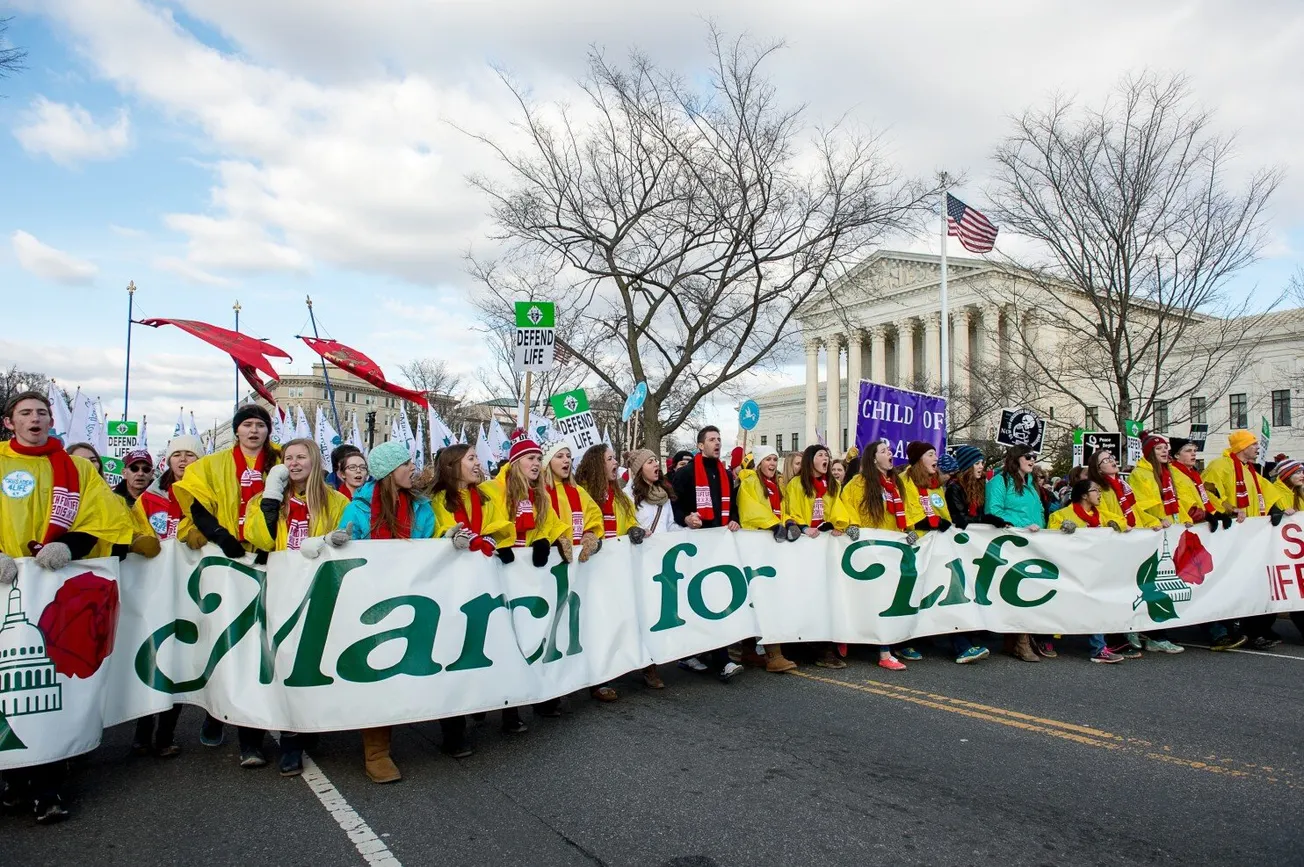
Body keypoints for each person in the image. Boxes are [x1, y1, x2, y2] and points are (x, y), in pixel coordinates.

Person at [0, 391, 133, 824]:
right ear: (9, 422)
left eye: (42, 412)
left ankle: (49, 787)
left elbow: (104, 520)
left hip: (53, 584)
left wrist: (67, 546)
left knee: (53, 686)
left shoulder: (76, 469)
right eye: (25, 413)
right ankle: (12, 782)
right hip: (4, 585)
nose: (35, 418)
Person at [172, 403, 280, 763]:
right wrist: (220, 536)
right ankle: (215, 713)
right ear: (236, 431)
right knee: (225, 641)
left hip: (269, 561)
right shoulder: (212, 465)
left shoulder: (280, 461)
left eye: (260, 425)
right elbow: (197, 506)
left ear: (268, 431)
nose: (254, 431)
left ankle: (251, 740)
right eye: (247, 424)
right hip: (227, 561)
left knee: (259, 649)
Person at [335, 441, 432, 783]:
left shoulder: (422, 507)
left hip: (413, 595)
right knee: (376, 671)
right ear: (390, 471)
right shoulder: (359, 509)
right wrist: (337, 542)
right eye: (406, 464)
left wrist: (449, 540)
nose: (412, 468)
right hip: (370, 601)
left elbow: (431, 543)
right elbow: (344, 550)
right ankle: (376, 752)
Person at [130, 435, 203, 760]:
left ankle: (165, 735)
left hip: (189, 591)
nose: (183, 460)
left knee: (178, 663)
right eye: (178, 455)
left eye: (190, 455)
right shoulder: (149, 499)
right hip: (154, 590)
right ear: (168, 460)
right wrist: (138, 541)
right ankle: (142, 733)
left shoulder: (204, 495)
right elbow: (133, 528)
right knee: (151, 660)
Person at [670, 425, 744, 682]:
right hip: (694, 546)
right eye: (712, 439)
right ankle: (718, 659)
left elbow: (732, 505)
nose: (717, 443)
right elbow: (674, 506)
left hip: (718, 545)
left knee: (715, 599)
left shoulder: (725, 473)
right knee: (702, 600)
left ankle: (711, 656)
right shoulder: (687, 473)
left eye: (719, 439)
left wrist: (733, 519)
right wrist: (686, 518)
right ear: (700, 445)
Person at [838, 440, 916, 671]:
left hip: (891, 549)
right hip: (867, 549)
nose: (890, 453)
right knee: (863, 598)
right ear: (873, 459)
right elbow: (847, 506)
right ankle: (847, 636)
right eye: (884, 451)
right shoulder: (858, 483)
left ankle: (885, 650)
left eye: (889, 450)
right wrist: (852, 525)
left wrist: (910, 530)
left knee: (886, 599)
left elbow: (906, 510)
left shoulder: (896, 484)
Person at [576, 443, 637, 701]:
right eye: (610, 459)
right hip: (590, 569)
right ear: (596, 464)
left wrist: (634, 528)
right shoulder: (582, 492)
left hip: (614, 569)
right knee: (591, 623)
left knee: (609, 621)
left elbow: (629, 518)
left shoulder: (619, 495)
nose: (616, 463)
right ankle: (593, 678)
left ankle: (605, 672)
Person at [733, 445, 800, 672]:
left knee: (765, 598)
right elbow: (750, 510)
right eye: (768, 459)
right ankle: (773, 655)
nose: (772, 463)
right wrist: (773, 524)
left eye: (774, 459)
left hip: (773, 546)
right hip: (757, 547)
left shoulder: (777, 485)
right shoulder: (750, 483)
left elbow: (783, 508)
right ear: (759, 462)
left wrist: (788, 522)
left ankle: (749, 651)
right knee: (762, 598)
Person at [1046, 479, 1127, 664]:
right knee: (1060, 606)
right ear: (1084, 495)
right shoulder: (1062, 515)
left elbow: (1123, 521)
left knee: (1095, 606)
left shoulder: (1102, 515)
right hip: (1070, 571)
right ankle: (1045, 639)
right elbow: (1050, 536)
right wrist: (1060, 530)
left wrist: (1117, 525)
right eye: (1095, 490)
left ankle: (1099, 649)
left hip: (1095, 573)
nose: (1099, 494)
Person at [987, 446, 1049, 663]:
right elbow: (994, 510)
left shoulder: (1031, 483)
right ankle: (1021, 641)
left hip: (1033, 543)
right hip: (1012, 542)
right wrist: (1022, 525)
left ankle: (1012, 640)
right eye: (1028, 456)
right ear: (1016, 459)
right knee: (1019, 590)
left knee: (1030, 588)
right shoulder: (1000, 481)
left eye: (1034, 457)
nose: (1033, 460)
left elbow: (1039, 510)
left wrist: (1043, 527)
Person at [624, 448, 679, 688]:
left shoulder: (663, 495)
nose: (656, 464)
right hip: (639, 562)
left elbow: (669, 526)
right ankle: (646, 664)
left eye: (656, 460)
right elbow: (625, 526)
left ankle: (652, 659)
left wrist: (689, 528)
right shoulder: (628, 495)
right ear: (639, 469)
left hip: (661, 563)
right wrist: (636, 532)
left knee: (657, 611)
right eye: (650, 461)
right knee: (641, 613)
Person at [541, 441, 603, 565]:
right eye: (560, 456)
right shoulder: (539, 492)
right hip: (547, 564)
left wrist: (589, 536)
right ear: (547, 463)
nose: (566, 460)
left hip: (578, 566)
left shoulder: (579, 492)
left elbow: (594, 517)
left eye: (568, 456)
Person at [1087, 449, 1160, 530]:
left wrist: (1153, 523)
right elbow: (1102, 513)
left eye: (1111, 457)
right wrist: (1121, 524)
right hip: (1118, 533)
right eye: (1106, 460)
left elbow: (1136, 510)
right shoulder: (1098, 490)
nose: (1111, 461)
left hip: (1134, 531)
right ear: (1099, 469)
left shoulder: (1124, 486)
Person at [945, 445, 1006, 531]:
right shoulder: (954, 488)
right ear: (967, 467)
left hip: (979, 534)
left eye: (982, 463)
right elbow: (959, 518)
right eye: (977, 463)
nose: (981, 466)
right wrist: (985, 519)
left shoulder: (981, 484)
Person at [899, 441, 952, 533]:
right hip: (918, 538)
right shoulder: (906, 480)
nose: (936, 458)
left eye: (935, 454)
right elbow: (912, 517)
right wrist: (936, 522)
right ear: (919, 460)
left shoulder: (935, 482)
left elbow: (943, 511)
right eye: (930, 455)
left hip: (940, 537)